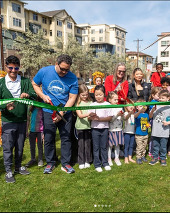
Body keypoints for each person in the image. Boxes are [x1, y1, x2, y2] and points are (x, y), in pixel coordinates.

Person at [32, 54, 78, 174]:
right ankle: (50, 163)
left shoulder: (73, 78)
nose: (64, 72)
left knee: (66, 138)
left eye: (66, 70)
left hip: (65, 112)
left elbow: (72, 98)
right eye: (61, 69)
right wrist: (42, 96)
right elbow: (34, 84)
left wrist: (62, 113)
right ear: (56, 64)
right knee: (48, 137)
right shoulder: (44, 71)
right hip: (48, 111)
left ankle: (66, 163)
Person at [0, 55, 37, 183]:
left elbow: (34, 95)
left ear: (19, 67)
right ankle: (8, 170)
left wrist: (28, 94)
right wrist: (5, 106)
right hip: (8, 121)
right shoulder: (1, 83)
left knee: (20, 146)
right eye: (10, 68)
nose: (13, 71)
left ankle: (18, 166)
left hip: (22, 120)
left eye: (16, 68)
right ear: (6, 67)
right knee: (8, 147)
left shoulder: (25, 81)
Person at [88, 85, 112, 172]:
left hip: (105, 128)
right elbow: (89, 117)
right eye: (96, 95)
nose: (98, 96)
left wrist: (99, 119)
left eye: (100, 94)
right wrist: (92, 117)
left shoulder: (107, 104)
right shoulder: (92, 105)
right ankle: (97, 164)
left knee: (104, 147)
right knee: (96, 147)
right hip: (95, 129)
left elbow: (109, 118)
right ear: (94, 95)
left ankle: (105, 163)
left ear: (104, 94)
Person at [75, 84, 94, 169]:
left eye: (86, 95)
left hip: (88, 126)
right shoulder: (78, 103)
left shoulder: (91, 103)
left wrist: (91, 116)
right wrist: (89, 114)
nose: (85, 96)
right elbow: (80, 115)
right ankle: (81, 161)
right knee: (81, 144)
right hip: (80, 126)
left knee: (88, 144)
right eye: (83, 95)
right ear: (79, 94)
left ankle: (87, 160)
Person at [149, 90, 170, 166]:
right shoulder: (156, 106)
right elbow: (150, 116)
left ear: (168, 98)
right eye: (160, 98)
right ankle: (155, 158)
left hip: (164, 131)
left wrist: (167, 123)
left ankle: (163, 158)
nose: (160, 99)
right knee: (155, 146)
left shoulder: (169, 107)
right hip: (155, 131)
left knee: (163, 147)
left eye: (163, 98)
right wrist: (152, 111)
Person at [25, 96, 44, 167]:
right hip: (32, 130)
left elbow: (44, 121)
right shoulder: (31, 108)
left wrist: (44, 132)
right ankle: (33, 159)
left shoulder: (42, 108)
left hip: (40, 131)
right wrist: (26, 130)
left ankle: (40, 159)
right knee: (32, 146)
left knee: (40, 145)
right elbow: (28, 119)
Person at [107, 91, 124, 166]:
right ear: (109, 100)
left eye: (117, 99)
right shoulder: (108, 108)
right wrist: (117, 115)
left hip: (119, 129)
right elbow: (110, 120)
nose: (117, 101)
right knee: (110, 145)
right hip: (111, 129)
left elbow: (122, 118)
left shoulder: (119, 107)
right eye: (115, 99)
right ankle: (109, 158)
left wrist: (122, 115)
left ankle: (116, 158)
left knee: (117, 145)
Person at [134, 99, 150, 164]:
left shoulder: (146, 114)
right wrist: (140, 111)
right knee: (139, 146)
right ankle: (138, 157)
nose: (142, 107)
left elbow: (147, 122)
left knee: (144, 146)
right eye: (140, 106)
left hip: (145, 133)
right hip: (139, 134)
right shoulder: (137, 114)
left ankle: (143, 156)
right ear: (137, 107)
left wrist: (148, 125)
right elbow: (135, 116)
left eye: (143, 106)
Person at [148, 87, 160, 157]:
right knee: (154, 136)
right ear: (153, 95)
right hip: (153, 121)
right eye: (158, 95)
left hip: (158, 120)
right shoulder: (152, 102)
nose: (159, 97)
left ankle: (157, 150)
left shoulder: (159, 102)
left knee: (158, 136)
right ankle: (151, 151)